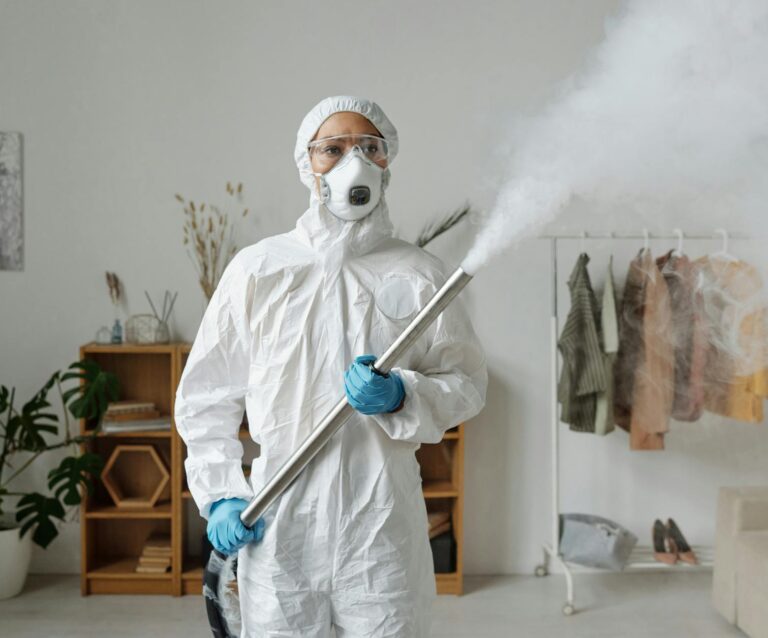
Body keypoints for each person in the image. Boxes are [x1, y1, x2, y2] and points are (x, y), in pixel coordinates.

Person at [174, 95, 488, 637]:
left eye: (369, 147)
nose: (354, 162)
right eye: (333, 149)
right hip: (279, 522)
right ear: (307, 163)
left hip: (381, 524)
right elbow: (206, 394)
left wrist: (403, 395)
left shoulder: (420, 273)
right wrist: (223, 491)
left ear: (387, 162)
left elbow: (466, 384)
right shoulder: (260, 270)